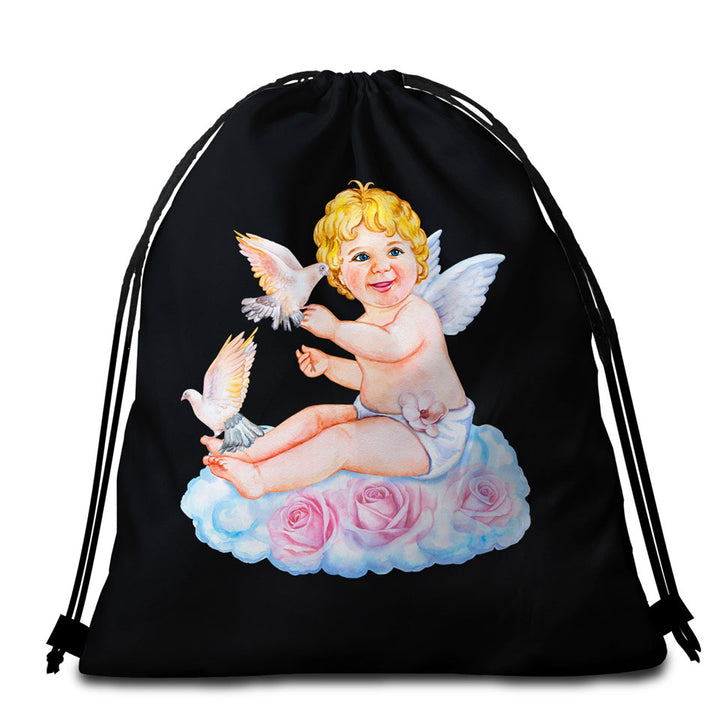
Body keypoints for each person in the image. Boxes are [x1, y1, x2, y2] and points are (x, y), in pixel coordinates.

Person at [202, 181, 475, 498]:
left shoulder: (417, 312)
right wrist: (329, 365)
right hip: (381, 416)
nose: (381, 267)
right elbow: (375, 378)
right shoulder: (364, 325)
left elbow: (392, 346)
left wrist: (335, 330)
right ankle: (250, 452)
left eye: (395, 251)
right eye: (362, 257)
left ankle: (259, 478)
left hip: (430, 437)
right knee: (316, 417)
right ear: (338, 274)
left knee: (341, 441)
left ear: (417, 259)